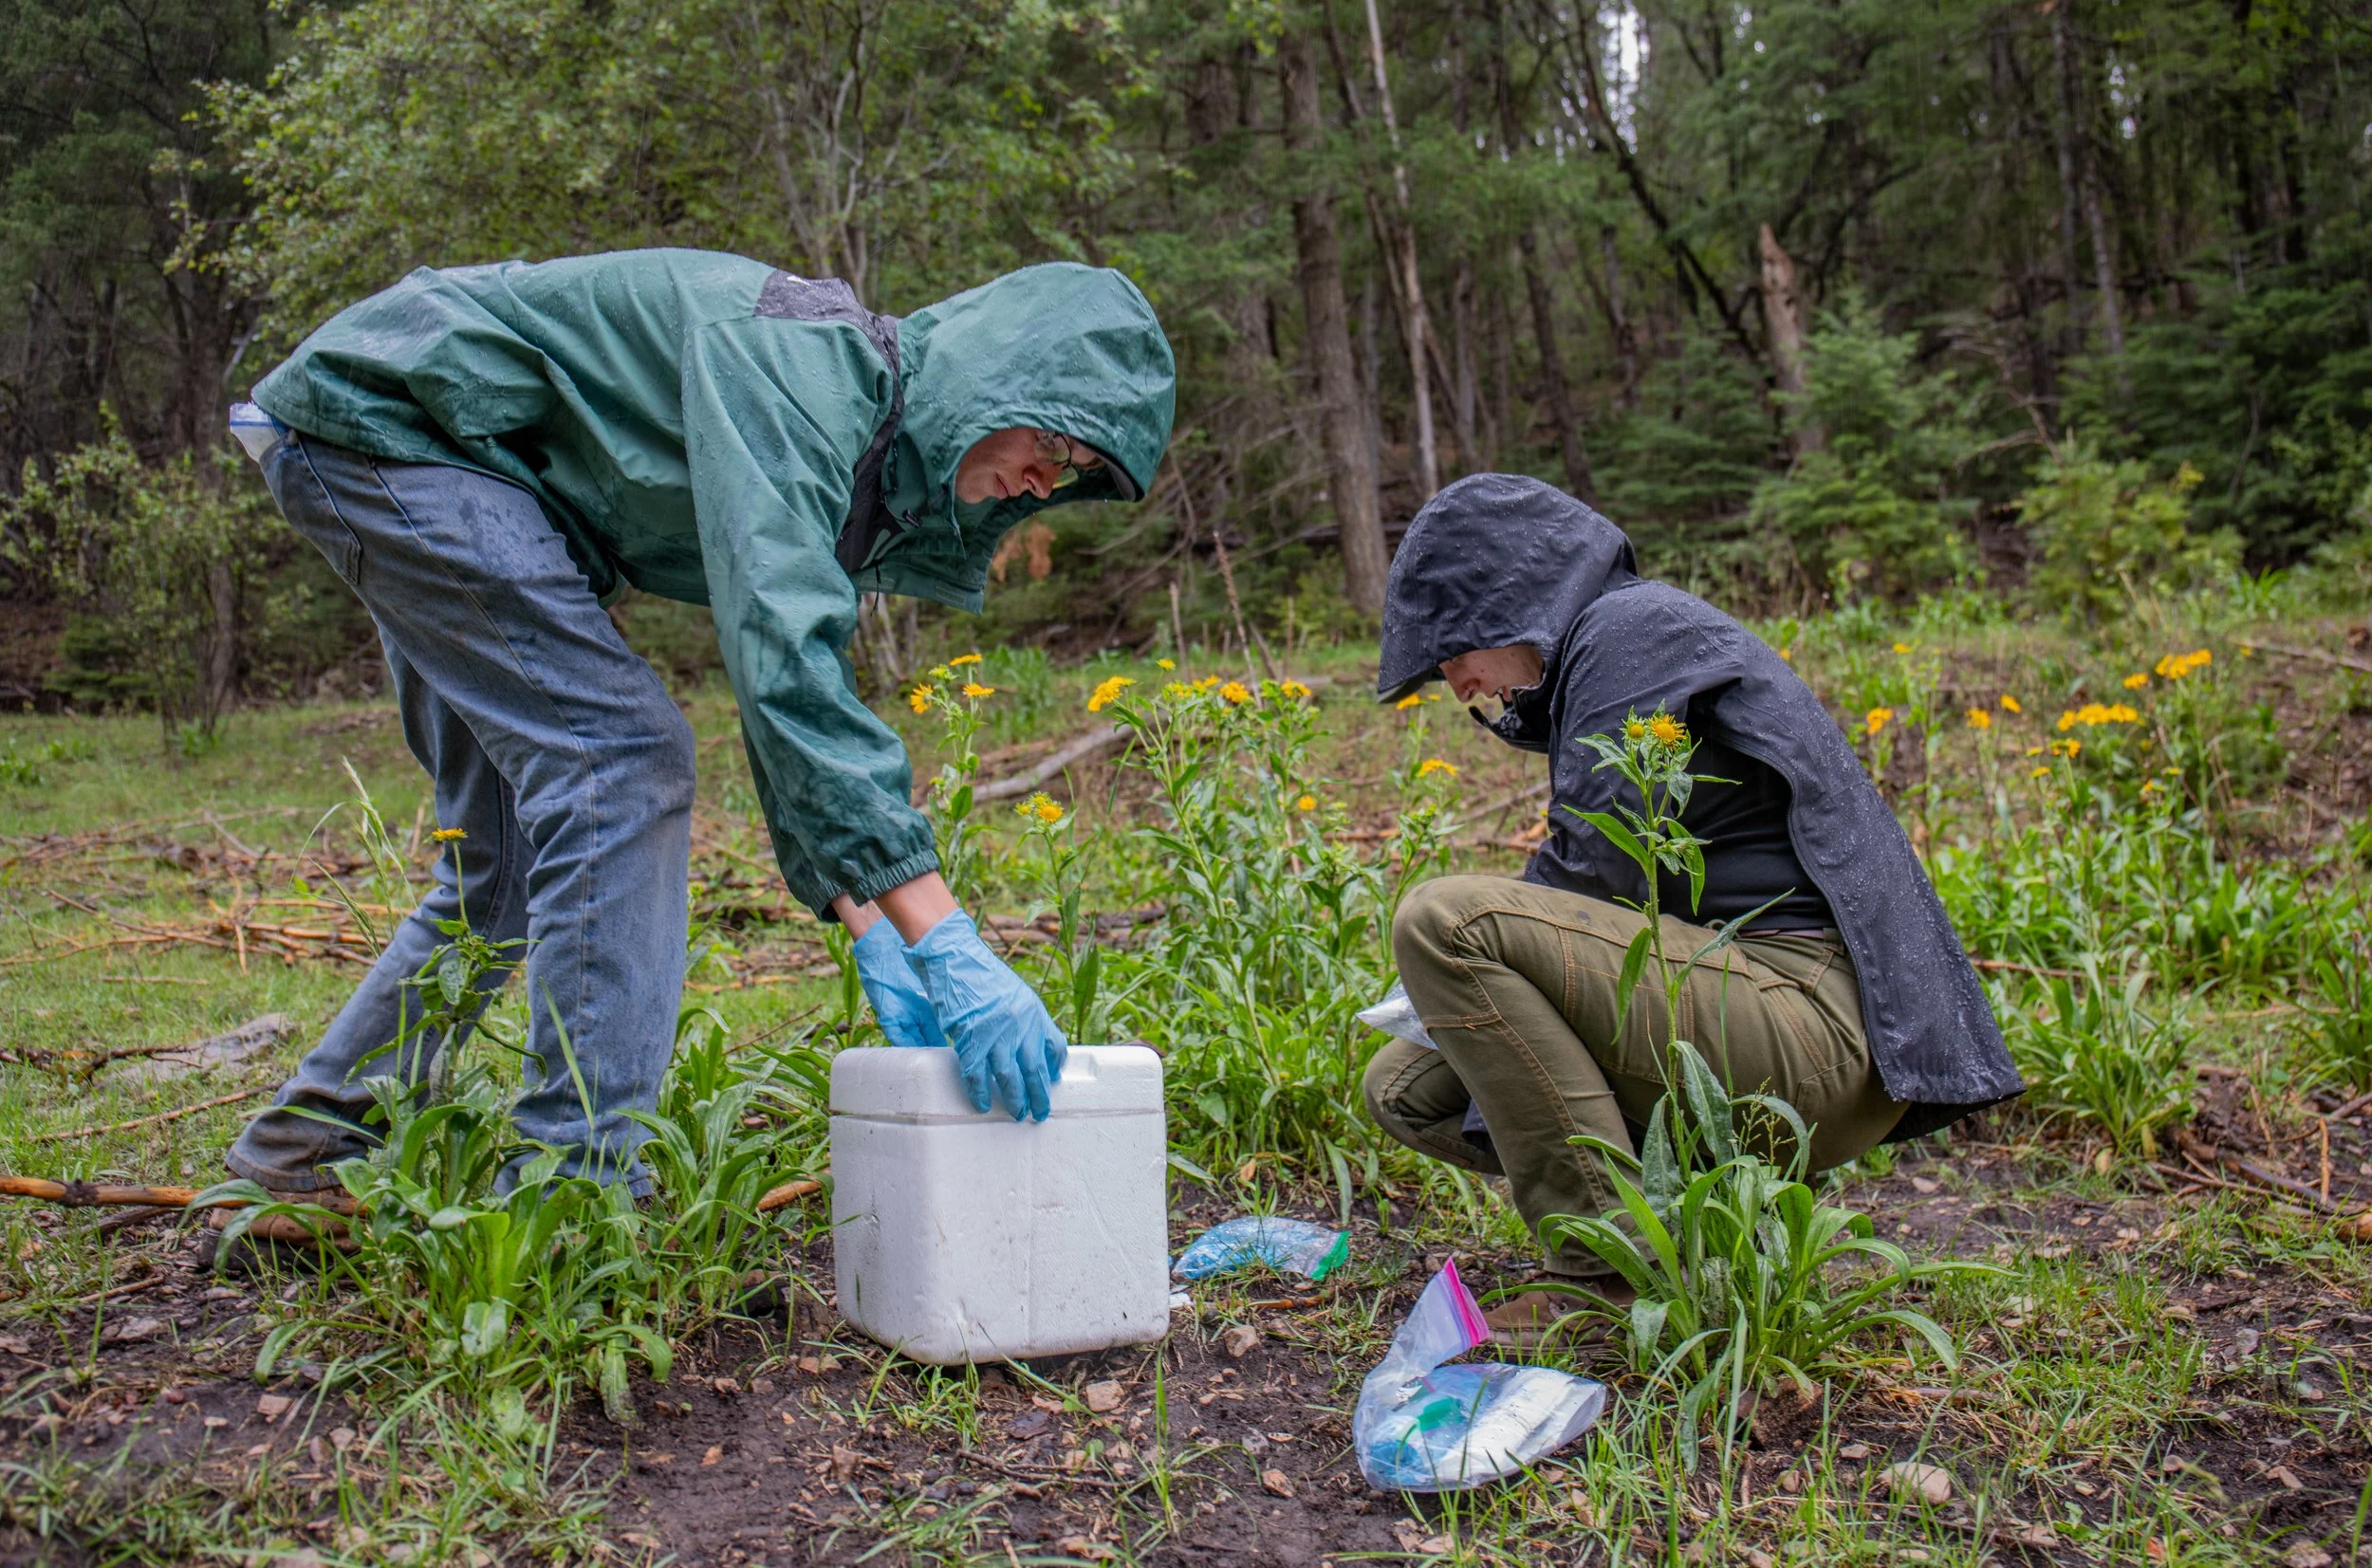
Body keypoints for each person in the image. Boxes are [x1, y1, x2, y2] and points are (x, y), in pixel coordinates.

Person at [223, 250, 1177, 1198]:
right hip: (407, 426)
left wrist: (869, 914)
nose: (1041, 483)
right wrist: (942, 932)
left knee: (507, 853)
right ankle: (573, 1193)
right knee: (620, 764)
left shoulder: (849, 436)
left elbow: (782, 689)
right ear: (996, 374)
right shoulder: (804, 374)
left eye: (1070, 476)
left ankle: (309, 1145)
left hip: (443, 461)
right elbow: (783, 656)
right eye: (1050, 446)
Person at [1362, 473, 2021, 1335]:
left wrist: (1456, 978)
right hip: (1749, 1010)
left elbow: (1590, 866)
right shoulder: (1614, 646)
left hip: (1815, 1025)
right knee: (1406, 1086)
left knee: (1443, 922)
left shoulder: (1629, 628)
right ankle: (1695, 1227)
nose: (1457, 684)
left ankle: (1607, 1276)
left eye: (1452, 653)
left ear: (1505, 595)